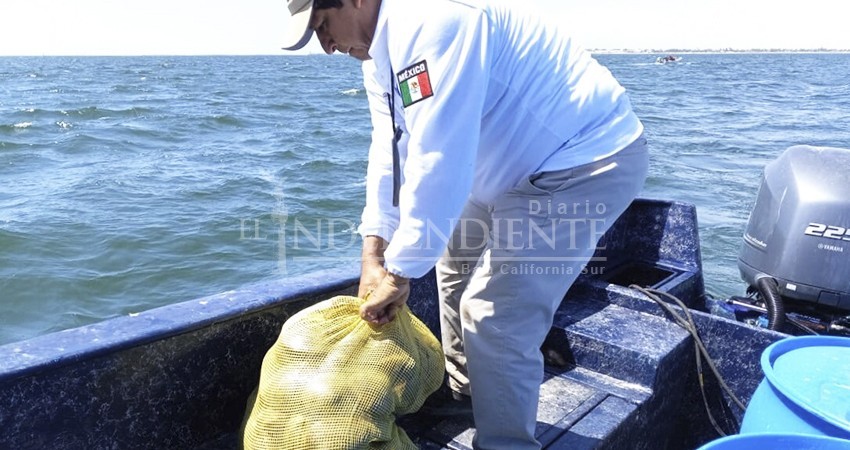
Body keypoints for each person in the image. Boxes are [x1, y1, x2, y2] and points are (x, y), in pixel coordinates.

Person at [281, 0, 649, 448]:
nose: (327, 47)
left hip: (581, 161)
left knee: (494, 315)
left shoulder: (437, 19)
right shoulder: (381, 57)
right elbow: (390, 153)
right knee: (451, 264)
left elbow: (439, 161)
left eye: (322, 25)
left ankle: (505, 442)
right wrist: (373, 254)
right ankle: (470, 391)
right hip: (506, 167)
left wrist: (398, 274)